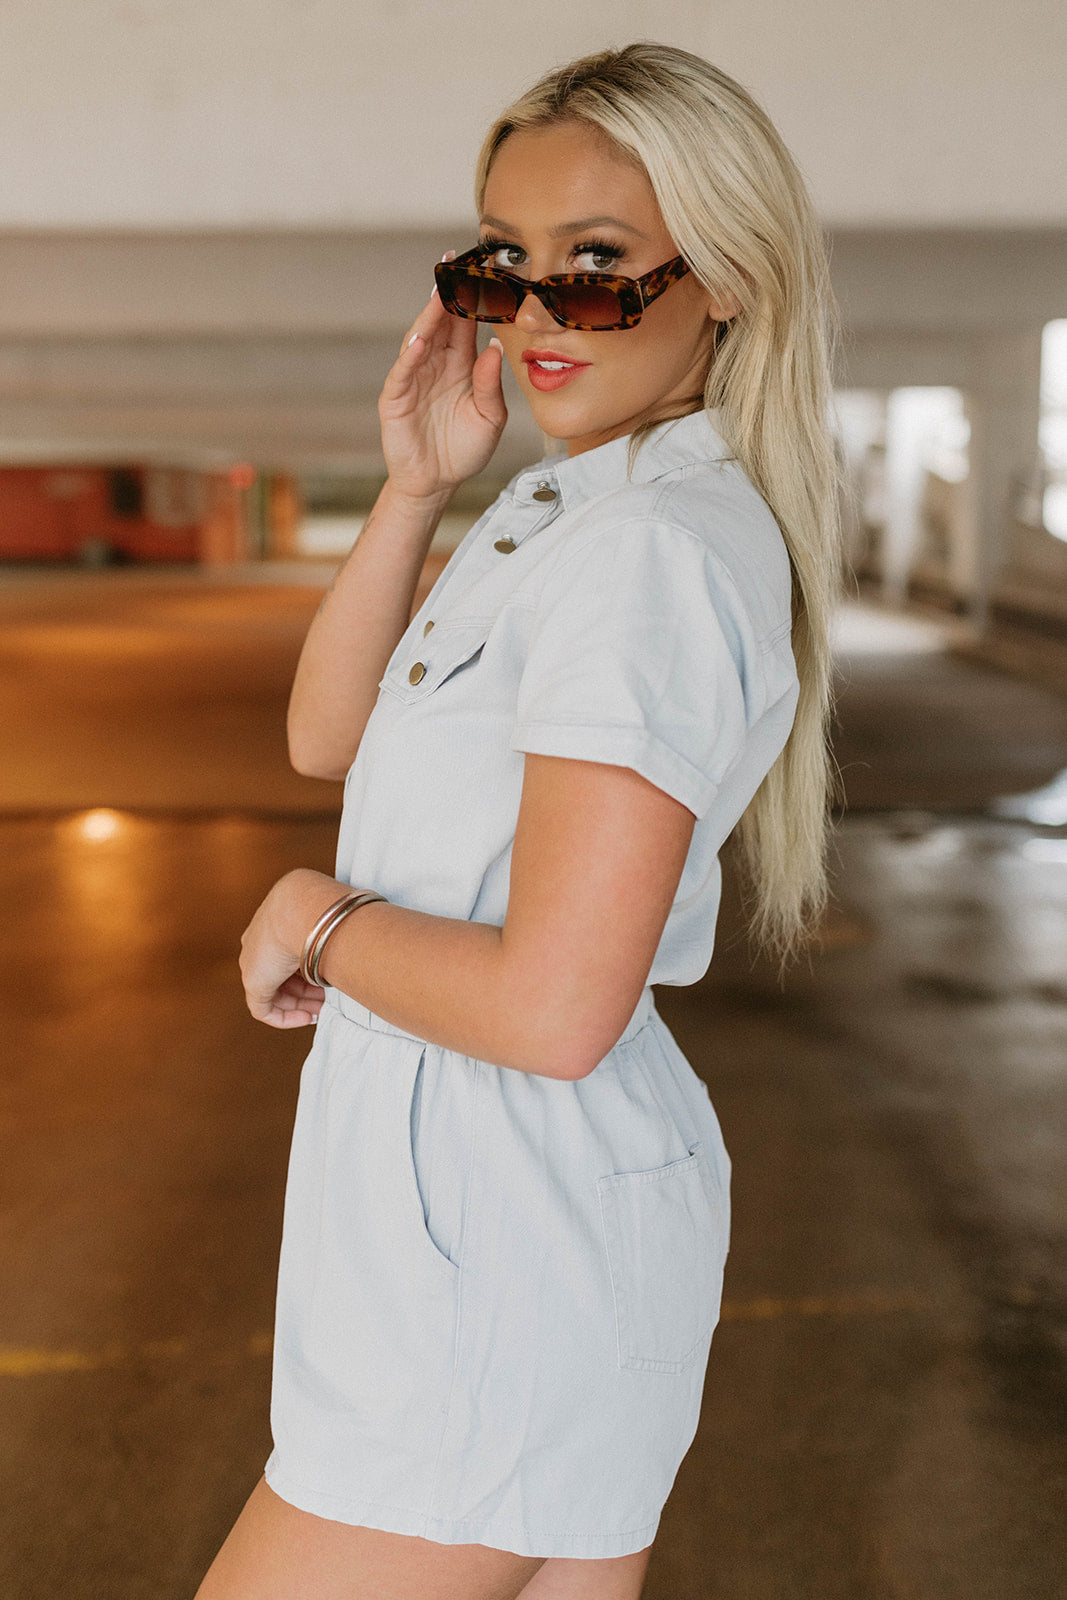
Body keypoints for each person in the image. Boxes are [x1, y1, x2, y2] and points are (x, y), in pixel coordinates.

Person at [196, 39, 844, 1600]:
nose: (541, 314)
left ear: (726, 277)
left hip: (501, 1246)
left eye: (599, 266)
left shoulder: (650, 555)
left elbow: (555, 1010)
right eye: (507, 264)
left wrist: (318, 923)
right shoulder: (574, 512)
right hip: (496, 1226)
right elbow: (328, 737)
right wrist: (416, 486)